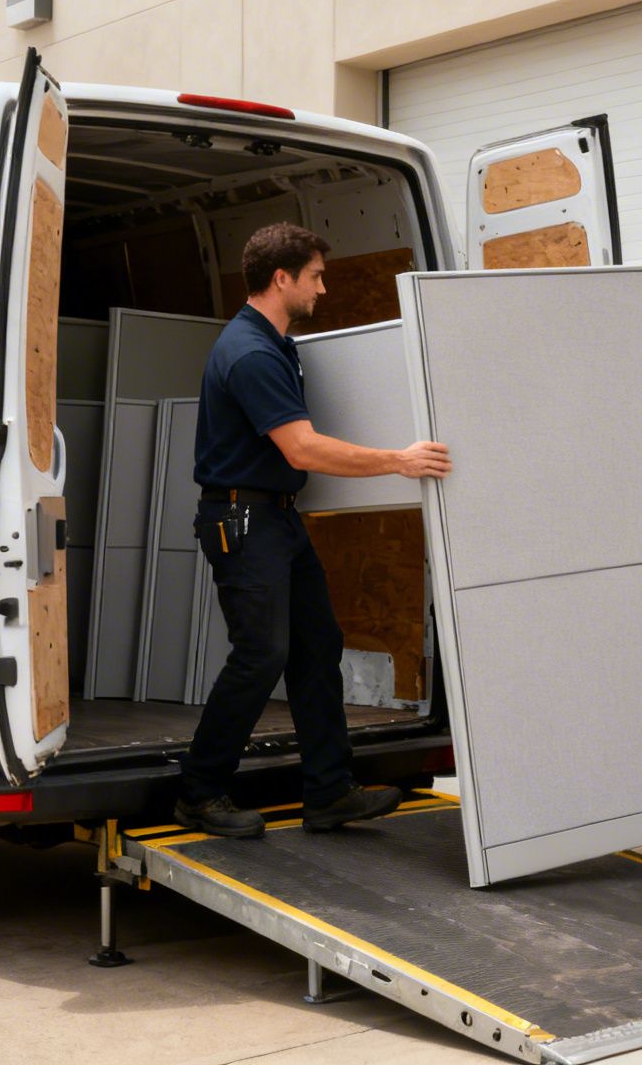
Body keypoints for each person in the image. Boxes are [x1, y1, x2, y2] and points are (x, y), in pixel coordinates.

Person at [175, 222, 452, 839]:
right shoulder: (249, 352)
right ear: (283, 278)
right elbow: (300, 448)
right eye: (316, 276)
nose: (323, 289)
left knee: (317, 644)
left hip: (274, 518)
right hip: (245, 522)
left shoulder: (274, 344)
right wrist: (398, 461)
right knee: (261, 655)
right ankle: (200, 791)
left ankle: (328, 791)